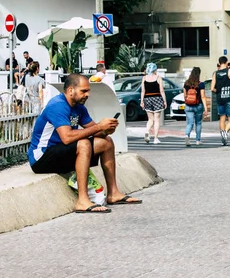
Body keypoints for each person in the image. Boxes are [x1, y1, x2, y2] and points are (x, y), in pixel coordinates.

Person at [27, 74, 142, 213]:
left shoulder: (79, 108)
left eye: (88, 91)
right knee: (83, 144)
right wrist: (99, 127)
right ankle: (82, 200)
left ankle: (113, 193)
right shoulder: (57, 105)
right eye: (83, 91)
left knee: (106, 142)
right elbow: (67, 137)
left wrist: (106, 129)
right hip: (41, 157)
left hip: (61, 153)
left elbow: (94, 131)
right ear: (70, 90)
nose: (87, 94)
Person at [211, 56, 230, 146]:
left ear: (219, 63)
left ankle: (223, 134)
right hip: (229, 98)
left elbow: (212, 88)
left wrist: (218, 91)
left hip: (220, 98)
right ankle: (225, 132)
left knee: (222, 119)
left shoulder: (215, 73)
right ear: (227, 62)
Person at [140, 63, 167, 145]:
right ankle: (155, 138)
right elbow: (161, 90)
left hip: (147, 98)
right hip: (157, 98)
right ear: (155, 69)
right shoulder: (158, 78)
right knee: (157, 120)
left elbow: (143, 91)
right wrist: (164, 101)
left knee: (150, 119)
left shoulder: (144, 78)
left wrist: (142, 101)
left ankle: (147, 131)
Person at [183, 67, 208, 146]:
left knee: (189, 123)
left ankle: (187, 135)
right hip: (198, 106)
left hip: (188, 106)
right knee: (198, 123)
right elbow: (203, 96)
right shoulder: (201, 84)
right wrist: (206, 108)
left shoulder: (186, 83)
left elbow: (184, 96)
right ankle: (198, 140)